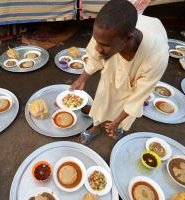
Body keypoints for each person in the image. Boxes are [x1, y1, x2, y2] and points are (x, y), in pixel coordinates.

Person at [70, 0, 169, 144]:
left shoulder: (156, 56)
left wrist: (116, 122)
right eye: (96, 40)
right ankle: (96, 126)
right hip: (116, 53)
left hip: (140, 65)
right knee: (104, 95)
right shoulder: (105, 32)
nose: (98, 47)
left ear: (128, 38)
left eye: (104, 45)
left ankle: (118, 126)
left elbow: (138, 97)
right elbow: (94, 56)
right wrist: (82, 79)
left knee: (127, 98)